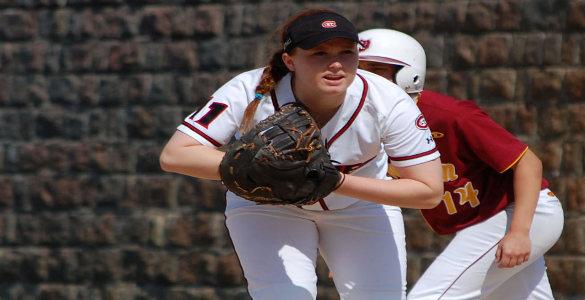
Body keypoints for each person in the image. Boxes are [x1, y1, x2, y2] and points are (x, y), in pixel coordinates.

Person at [160, 10, 444, 300]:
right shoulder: (251, 88)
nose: (335, 64)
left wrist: (335, 183)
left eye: (346, 52)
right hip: (268, 206)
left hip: (360, 206)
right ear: (289, 60)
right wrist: (265, 167)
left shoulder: (388, 100)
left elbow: (428, 191)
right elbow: (175, 155)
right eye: (319, 53)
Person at [357, 28, 564, 299]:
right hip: (486, 220)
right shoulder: (366, 119)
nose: (364, 78)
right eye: (358, 69)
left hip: (519, 213)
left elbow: (529, 163)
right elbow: (377, 191)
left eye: (376, 69)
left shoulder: (450, 115)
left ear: (408, 74)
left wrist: (519, 232)